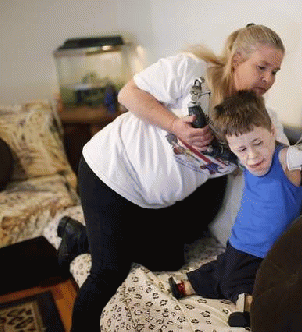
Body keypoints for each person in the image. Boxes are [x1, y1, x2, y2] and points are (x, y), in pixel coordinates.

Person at [57, 24, 290, 332]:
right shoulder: (191, 70)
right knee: (109, 271)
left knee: (167, 259)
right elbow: (129, 94)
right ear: (236, 59)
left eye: (275, 72)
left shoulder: (262, 120)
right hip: (110, 172)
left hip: (151, 201)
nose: (269, 80)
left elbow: (285, 154)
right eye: (262, 68)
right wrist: (176, 125)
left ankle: (82, 237)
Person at [168, 90, 302, 328]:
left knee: (241, 281)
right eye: (241, 149)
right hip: (237, 241)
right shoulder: (246, 158)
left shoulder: (284, 157)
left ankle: (245, 309)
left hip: (261, 252)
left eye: (258, 143)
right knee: (221, 267)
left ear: (272, 132)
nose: (252, 157)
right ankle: (188, 285)